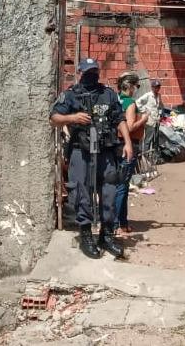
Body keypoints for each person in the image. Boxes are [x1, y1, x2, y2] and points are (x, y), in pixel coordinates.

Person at [50, 58, 133, 259]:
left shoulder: (108, 94)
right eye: (88, 72)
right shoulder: (71, 95)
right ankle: (86, 235)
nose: (92, 75)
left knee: (110, 192)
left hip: (106, 151)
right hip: (81, 150)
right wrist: (73, 118)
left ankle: (107, 235)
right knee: (81, 193)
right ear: (80, 73)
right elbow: (54, 118)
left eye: (94, 71)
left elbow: (120, 118)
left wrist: (128, 143)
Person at [115, 72, 148, 236]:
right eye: (136, 86)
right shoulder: (130, 103)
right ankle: (117, 224)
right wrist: (143, 119)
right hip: (128, 146)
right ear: (130, 86)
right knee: (122, 186)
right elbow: (128, 127)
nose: (136, 89)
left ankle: (123, 222)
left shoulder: (115, 100)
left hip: (115, 145)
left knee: (119, 184)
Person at [136, 79, 165, 160]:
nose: (157, 89)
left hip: (156, 120)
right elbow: (138, 102)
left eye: (158, 87)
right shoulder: (148, 95)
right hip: (149, 120)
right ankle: (146, 156)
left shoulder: (158, 95)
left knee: (156, 140)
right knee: (148, 139)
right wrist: (144, 111)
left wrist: (161, 113)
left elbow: (160, 106)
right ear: (152, 87)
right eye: (155, 87)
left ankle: (154, 156)